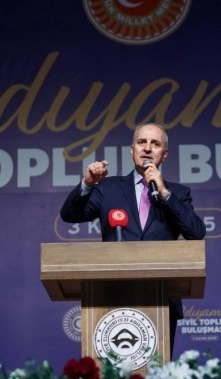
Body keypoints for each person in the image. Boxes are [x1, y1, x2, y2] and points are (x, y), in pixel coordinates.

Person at [60, 123, 206, 358]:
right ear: (132, 151)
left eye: (155, 144)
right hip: (111, 295)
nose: (147, 148)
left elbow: (196, 232)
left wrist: (164, 192)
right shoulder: (108, 188)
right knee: (114, 370)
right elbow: (69, 215)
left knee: (157, 369)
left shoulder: (177, 193)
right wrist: (87, 183)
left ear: (164, 154)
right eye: (141, 142)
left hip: (161, 299)